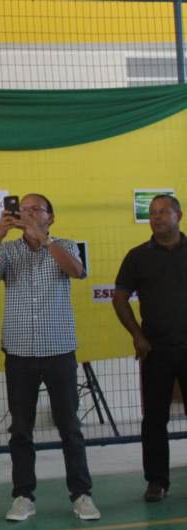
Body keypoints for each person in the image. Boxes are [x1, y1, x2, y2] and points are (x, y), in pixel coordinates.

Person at [0, 193, 100, 522]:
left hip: (58, 350)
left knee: (70, 426)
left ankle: (81, 494)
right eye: (25, 209)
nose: (29, 213)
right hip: (19, 351)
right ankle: (23, 496)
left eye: (37, 209)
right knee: (20, 429)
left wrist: (44, 241)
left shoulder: (65, 245)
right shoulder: (8, 250)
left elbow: (77, 271)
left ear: (51, 217)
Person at [113, 194, 187, 503]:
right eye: (152, 213)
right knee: (154, 419)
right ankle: (157, 481)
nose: (156, 217)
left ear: (178, 215)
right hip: (154, 350)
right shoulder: (137, 256)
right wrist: (137, 335)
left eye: (162, 212)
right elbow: (119, 297)